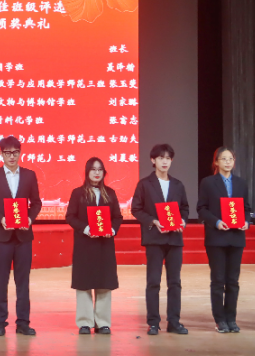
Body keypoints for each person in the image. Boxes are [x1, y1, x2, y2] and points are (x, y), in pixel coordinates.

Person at [0, 136, 43, 336]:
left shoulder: (29, 175)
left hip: (24, 237)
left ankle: (23, 322)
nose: (12, 156)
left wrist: (30, 219)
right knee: (1, 281)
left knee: (22, 282)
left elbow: (36, 202)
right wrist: (1, 219)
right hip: (2, 236)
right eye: (7, 153)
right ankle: (0, 323)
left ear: (20, 153)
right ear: (1, 154)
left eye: (15, 152)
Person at [131, 143, 190, 335]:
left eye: (168, 158)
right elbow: (136, 209)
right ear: (153, 160)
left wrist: (182, 221)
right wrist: (153, 221)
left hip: (174, 239)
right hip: (154, 239)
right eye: (161, 158)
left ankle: (174, 322)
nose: (164, 162)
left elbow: (185, 208)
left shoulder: (178, 185)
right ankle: (154, 323)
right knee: (153, 282)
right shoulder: (144, 184)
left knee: (175, 282)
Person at [196, 147, 251, 334]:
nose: (227, 162)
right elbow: (201, 209)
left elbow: (246, 208)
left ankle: (231, 318)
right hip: (216, 237)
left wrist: (246, 221)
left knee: (233, 281)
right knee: (218, 280)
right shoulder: (208, 182)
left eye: (230, 159)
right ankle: (220, 319)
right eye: (223, 159)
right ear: (216, 162)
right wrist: (216, 222)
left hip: (236, 237)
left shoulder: (241, 183)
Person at [65, 157, 123, 335]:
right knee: (84, 283)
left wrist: (112, 229)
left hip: (105, 245)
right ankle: (84, 322)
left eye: (100, 170)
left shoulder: (110, 193)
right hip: (85, 244)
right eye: (93, 169)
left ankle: (102, 322)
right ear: (87, 172)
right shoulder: (78, 193)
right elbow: (70, 216)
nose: (97, 173)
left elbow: (117, 217)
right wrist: (86, 228)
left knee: (104, 283)